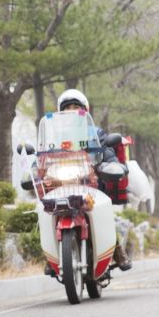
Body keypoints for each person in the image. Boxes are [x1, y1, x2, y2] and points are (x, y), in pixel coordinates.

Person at [57, 89, 132, 271]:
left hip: (91, 183)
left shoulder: (95, 133)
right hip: (63, 183)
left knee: (102, 212)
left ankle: (116, 250)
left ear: (85, 110)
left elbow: (106, 151)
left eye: (76, 107)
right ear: (61, 112)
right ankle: (51, 254)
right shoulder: (56, 135)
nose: (72, 111)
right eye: (68, 108)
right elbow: (42, 155)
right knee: (48, 209)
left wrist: (112, 164)